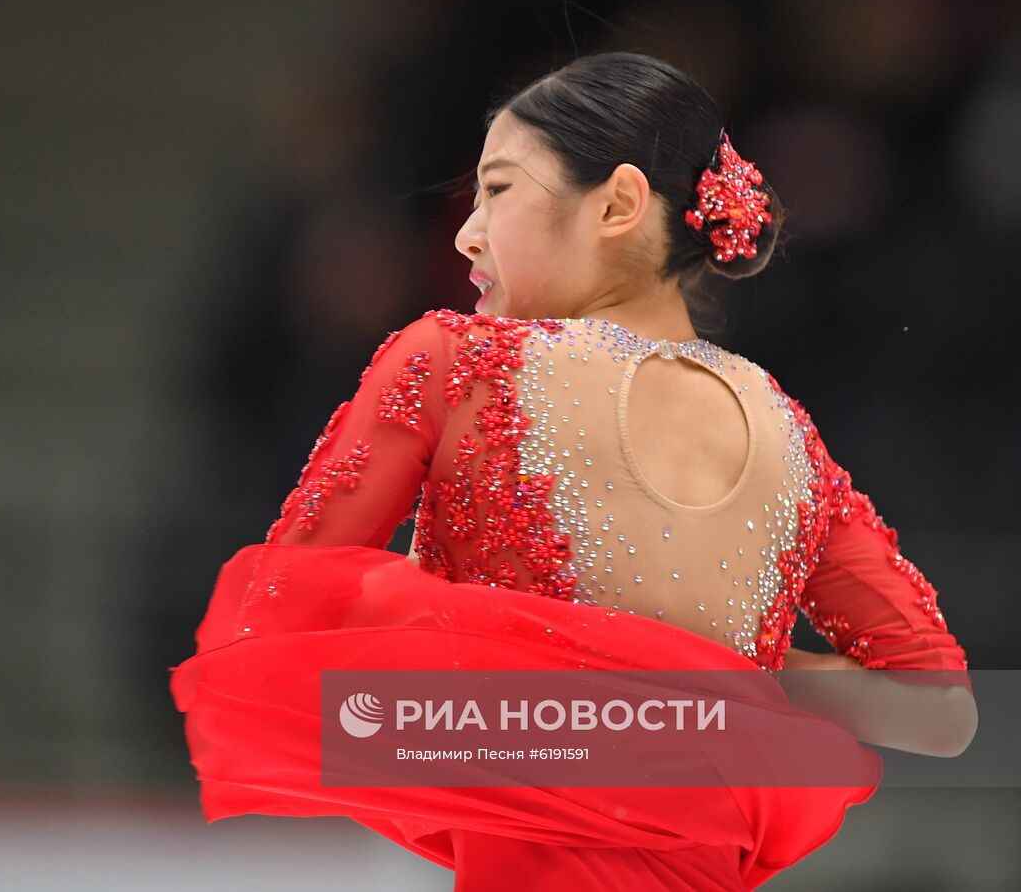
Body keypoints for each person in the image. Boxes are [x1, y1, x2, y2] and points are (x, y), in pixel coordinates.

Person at [169, 51, 976, 891]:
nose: (466, 231)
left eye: (498, 190)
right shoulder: (790, 436)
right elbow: (939, 710)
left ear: (618, 204)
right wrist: (707, 686)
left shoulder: (456, 365)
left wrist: (478, 645)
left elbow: (275, 624)